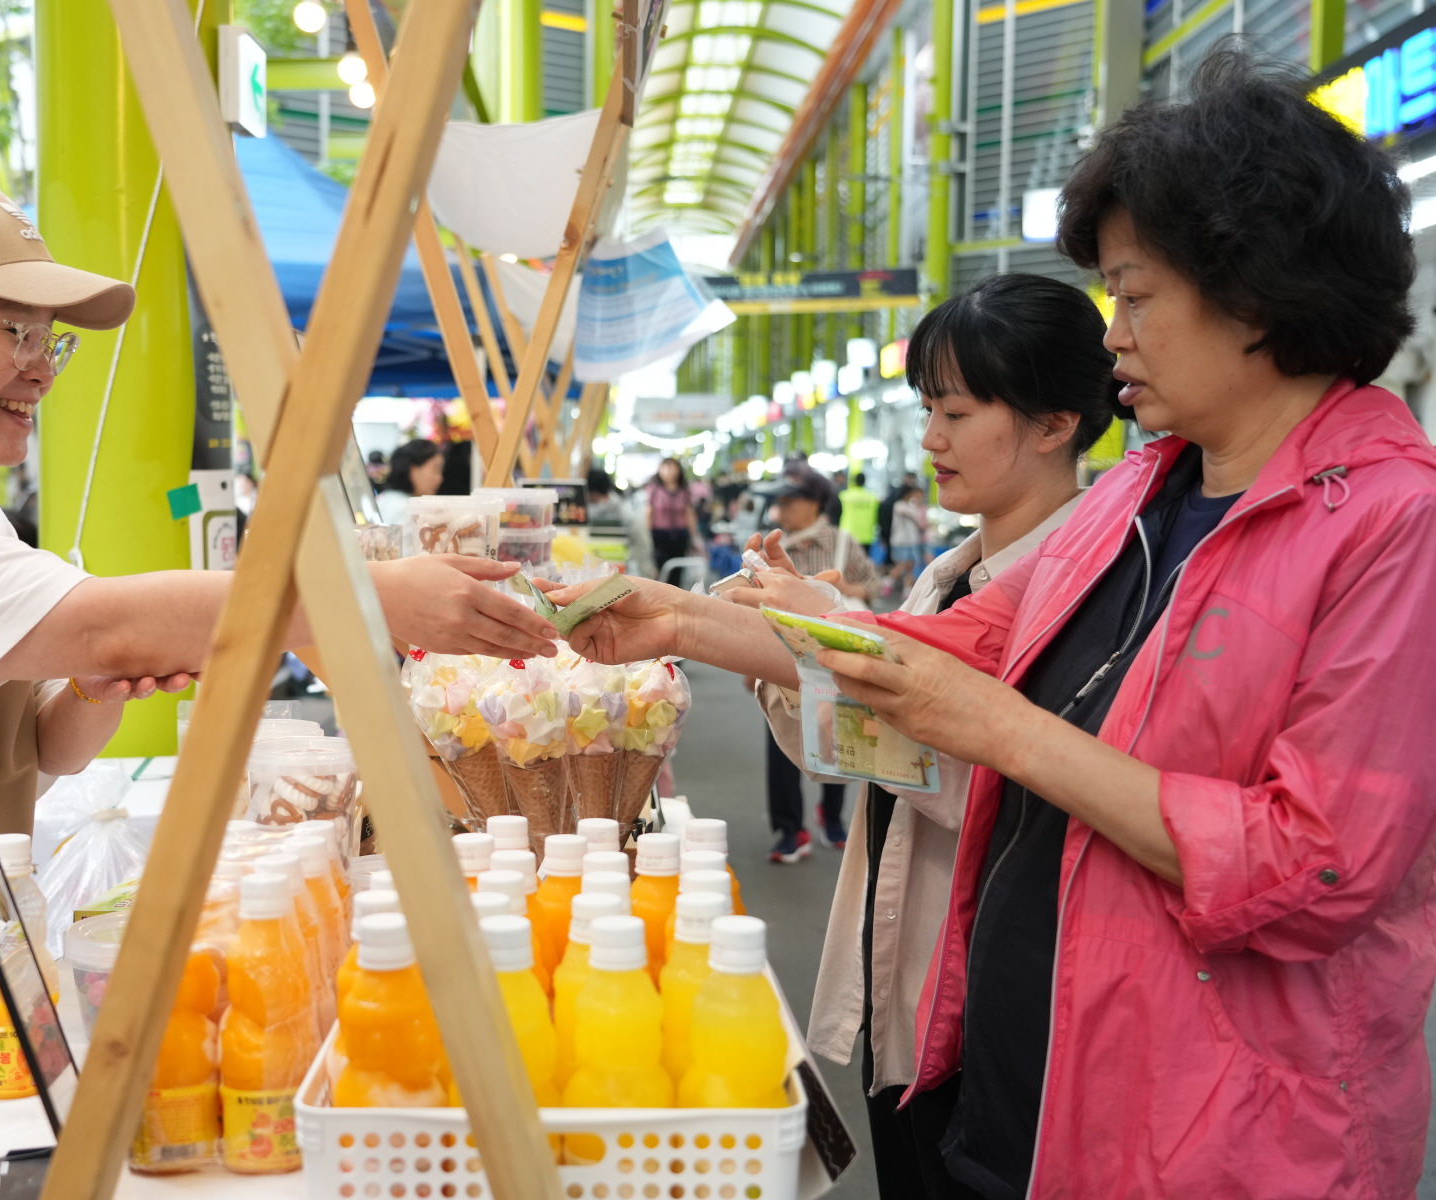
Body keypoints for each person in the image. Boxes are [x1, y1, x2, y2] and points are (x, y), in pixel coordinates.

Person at [554, 52, 1436, 1198]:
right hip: (1029, 1074)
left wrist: (1008, 734)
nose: (1114, 333)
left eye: (1137, 293)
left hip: (1216, 1128)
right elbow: (956, 647)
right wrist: (673, 619)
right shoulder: (1143, 491)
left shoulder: (1392, 525)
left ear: (1256, 294)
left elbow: (1317, 865)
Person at [0, 173, 560, 1199]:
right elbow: (106, 618)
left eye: (51, 340)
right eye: (14, 331)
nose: (42, 369)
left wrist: (94, 690)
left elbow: (40, 749)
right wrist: (363, 596)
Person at [743, 274, 1116, 1198]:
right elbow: (850, 753)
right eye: (926, 409)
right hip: (899, 985)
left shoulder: (1083, 597)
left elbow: (972, 779)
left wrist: (819, 638)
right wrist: (798, 650)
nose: (932, 439)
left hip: (995, 1004)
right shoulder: (951, 578)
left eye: (955, 411)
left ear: (1056, 420)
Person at [759, 465, 877, 862]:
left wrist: (843, 589)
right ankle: (790, 829)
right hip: (778, 658)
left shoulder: (843, 544)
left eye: (789, 501)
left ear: (815, 503)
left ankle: (833, 815)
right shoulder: (772, 547)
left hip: (832, 658)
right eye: (779, 501)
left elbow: (871, 588)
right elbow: (754, 608)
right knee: (780, 740)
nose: (781, 509)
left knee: (836, 732)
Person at [644, 456, 699, 584]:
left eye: (673, 467)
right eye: (666, 467)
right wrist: (647, 536)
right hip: (659, 534)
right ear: (660, 470)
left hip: (680, 535)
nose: (669, 471)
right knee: (660, 569)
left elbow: (689, 513)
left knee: (677, 570)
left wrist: (694, 535)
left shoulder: (684, 490)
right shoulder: (654, 489)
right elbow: (649, 512)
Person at [374, 437, 445, 525]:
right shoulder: (409, 511)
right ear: (413, 470)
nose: (440, 478)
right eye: (436, 470)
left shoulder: (387, 498)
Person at [887, 480, 929, 593]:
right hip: (900, 541)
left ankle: (907, 590)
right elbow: (909, 515)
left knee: (910, 567)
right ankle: (887, 582)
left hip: (912, 541)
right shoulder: (899, 505)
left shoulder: (912, 507)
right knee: (902, 565)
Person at [836, 470, 878, 554]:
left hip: (846, 535)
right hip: (866, 535)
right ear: (864, 481)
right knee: (863, 565)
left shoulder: (843, 496)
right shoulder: (873, 497)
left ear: (853, 481)